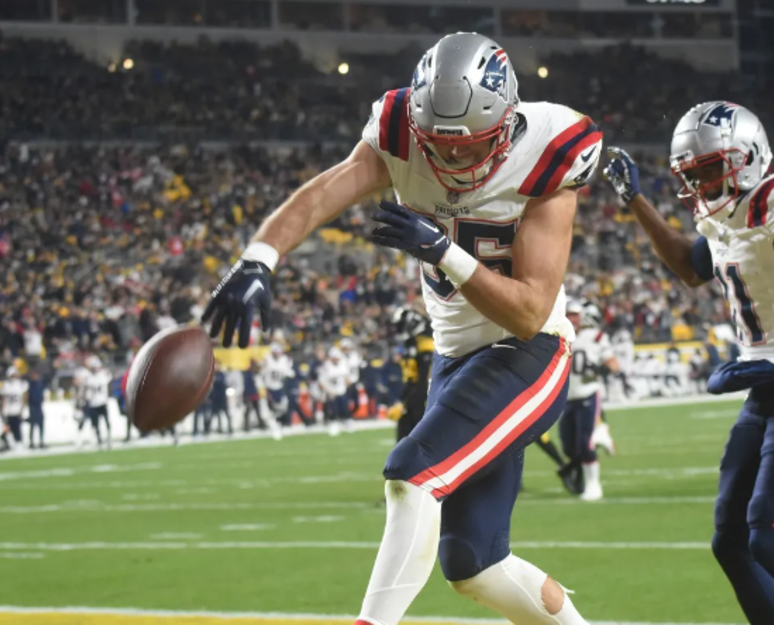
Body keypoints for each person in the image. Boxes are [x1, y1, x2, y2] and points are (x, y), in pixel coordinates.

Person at [201, 32, 601, 625]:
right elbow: (321, 196)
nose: (451, 160)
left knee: (411, 474)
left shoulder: (553, 147)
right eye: (436, 145)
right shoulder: (396, 130)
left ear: (506, 122)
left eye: (469, 146)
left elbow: (528, 312)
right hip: (453, 357)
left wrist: (444, 250)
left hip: (528, 352)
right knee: (475, 564)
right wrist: (259, 258)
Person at [603, 106, 774, 625]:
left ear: (749, 158)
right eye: (690, 174)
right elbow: (690, 269)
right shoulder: (720, 216)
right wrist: (635, 200)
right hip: (761, 381)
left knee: (769, 539)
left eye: (708, 170)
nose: (699, 183)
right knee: (730, 541)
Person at [559, 300, 619, 501]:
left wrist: (599, 371)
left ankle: (594, 485)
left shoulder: (595, 337)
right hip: (567, 398)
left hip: (588, 393)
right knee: (568, 445)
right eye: (568, 314)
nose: (571, 318)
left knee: (585, 442)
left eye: (575, 314)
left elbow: (613, 363)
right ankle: (600, 433)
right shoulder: (559, 336)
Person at [386, 306, 434, 442]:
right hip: (414, 397)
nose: (400, 331)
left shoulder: (426, 346)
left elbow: (424, 381)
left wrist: (406, 403)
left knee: (420, 441)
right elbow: (411, 379)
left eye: (401, 326)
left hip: (424, 399)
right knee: (403, 442)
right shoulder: (413, 345)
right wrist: (402, 400)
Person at [0, 365, 29, 451]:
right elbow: (3, 398)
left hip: (17, 410)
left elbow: (25, 397)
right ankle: (9, 444)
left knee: (17, 429)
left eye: (14, 375)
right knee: (9, 429)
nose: (13, 377)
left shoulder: (21, 384)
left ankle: (19, 443)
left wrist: (23, 408)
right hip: (9, 411)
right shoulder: (6, 385)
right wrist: (3, 410)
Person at [27, 367, 48, 449]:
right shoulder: (30, 384)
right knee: (32, 425)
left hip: (39, 406)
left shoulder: (40, 384)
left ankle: (41, 441)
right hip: (32, 406)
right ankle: (31, 442)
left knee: (41, 425)